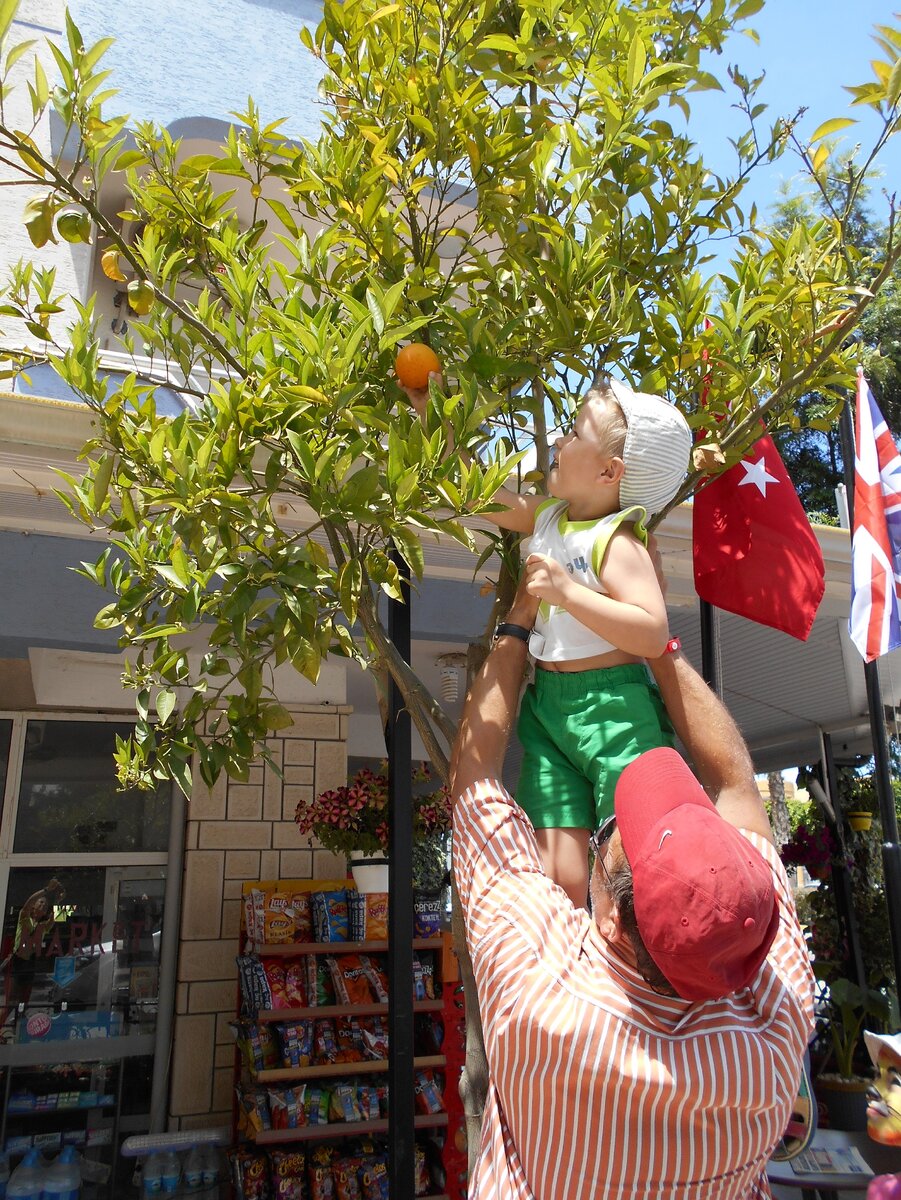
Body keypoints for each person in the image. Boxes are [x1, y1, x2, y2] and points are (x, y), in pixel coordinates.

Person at [449, 567, 815, 1200]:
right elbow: (737, 788)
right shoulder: (776, 1025)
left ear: (614, 921)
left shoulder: (542, 997)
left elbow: (474, 771)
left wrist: (519, 613)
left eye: (611, 828)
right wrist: (653, 640)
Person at [406, 372, 692, 906]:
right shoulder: (548, 517)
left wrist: (566, 592)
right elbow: (477, 496)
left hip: (615, 708)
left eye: (574, 433)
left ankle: (617, 962)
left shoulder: (618, 539)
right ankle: (570, 949)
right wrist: (437, 420)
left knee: (621, 860)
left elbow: (652, 632)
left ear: (610, 471)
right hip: (549, 705)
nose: (558, 441)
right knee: (558, 871)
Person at [0, 877, 65, 1035]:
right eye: (40, 902)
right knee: (10, 1002)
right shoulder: (24, 918)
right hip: (18, 962)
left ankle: (14, 1032)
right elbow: (28, 903)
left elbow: (60, 916)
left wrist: (59, 900)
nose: (42, 905)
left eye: (45, 904)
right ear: (35, 906)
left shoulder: (43, 927)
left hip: (30, 964)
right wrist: (46, 891)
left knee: (23, 1003)